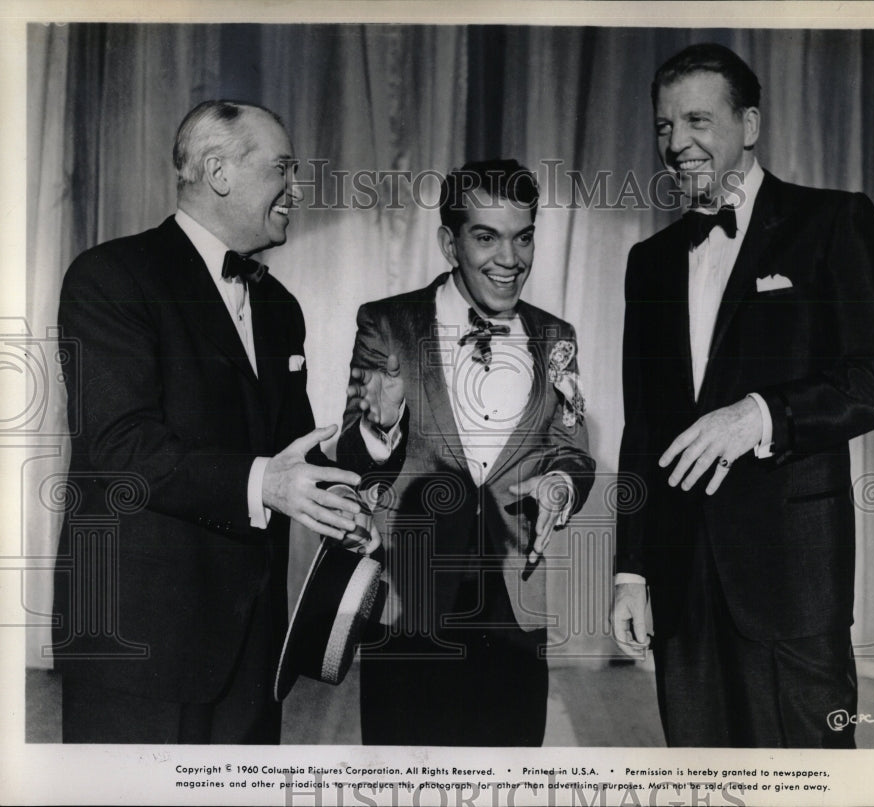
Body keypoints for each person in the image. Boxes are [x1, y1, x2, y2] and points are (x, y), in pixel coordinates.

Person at [611, 44, 874, 748]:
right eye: (663, 126)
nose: (676, 143)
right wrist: (633, 569)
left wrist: (761, 414)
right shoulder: (648, 261)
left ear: (750, 124)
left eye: (697, 120)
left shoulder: (834, 223)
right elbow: (643, 428)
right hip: (683, 583)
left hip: (793, 580)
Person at [54, 100, 363, 744]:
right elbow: (122, 447)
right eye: (283, 168)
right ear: (217, 172)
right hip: (139, 646)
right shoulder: (111, 277)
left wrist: (367, 459)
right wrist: (268, 486)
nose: (297, 189)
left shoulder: (279, 306)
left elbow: (291, 457)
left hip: (253, 650)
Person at [336, 159, 596, 746]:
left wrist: (561, 485)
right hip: (409, 596)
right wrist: (381, 426)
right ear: (448, 243)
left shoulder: (558, 337)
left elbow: (571, 448)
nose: (510, 259)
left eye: (523, 236)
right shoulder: (387, 324)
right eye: (486, 236)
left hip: (515, 601)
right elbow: (352, 454)